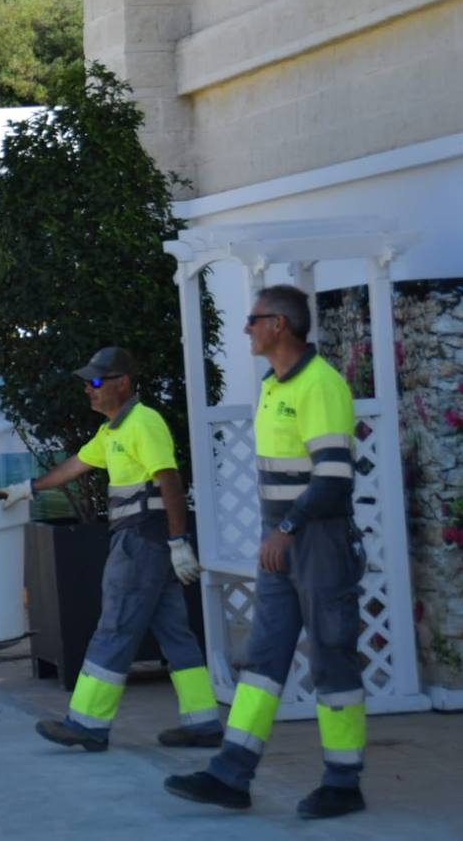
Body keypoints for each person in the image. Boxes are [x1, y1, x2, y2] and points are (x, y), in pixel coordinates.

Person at [165, 284, 367, 820]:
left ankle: (344, 783)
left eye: (252, 320)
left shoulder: (320, 385)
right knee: (263, 657)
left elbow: (335, 477)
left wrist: (288, 528)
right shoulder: (273, 385)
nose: (247, 329)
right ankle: (231, 774)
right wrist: (276, 531)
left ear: (279, 324)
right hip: (285, 541)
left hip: (317, 541)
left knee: (331, 656)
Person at [0, 346, 221, 753]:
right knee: (174, 632)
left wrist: (178, 541)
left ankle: (87, 723)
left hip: (141, 540)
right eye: (87, 383)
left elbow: (169, 479)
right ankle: (204, 721)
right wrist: (26, 489)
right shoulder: (112, 431)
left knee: (115, 626)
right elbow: (76, 465)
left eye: (97, 382)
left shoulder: (143, 423)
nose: (89, 390)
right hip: (146, 541)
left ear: (123, 383)